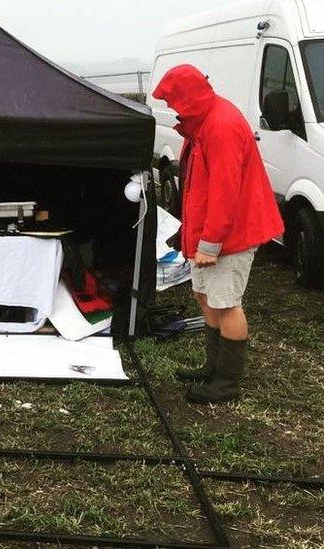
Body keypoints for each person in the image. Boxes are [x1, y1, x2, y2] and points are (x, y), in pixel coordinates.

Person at [152, 64, 284, 404]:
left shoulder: (220, 126)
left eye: (172, 100)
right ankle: (213, 367)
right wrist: (191, 236)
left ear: (186, 96)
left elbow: (226, 193)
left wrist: (210, 245)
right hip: (212, 233)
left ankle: (226, 382)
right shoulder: (204, 122)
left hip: (232, 234)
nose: (171, 108)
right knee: (205, 297)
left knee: (226, 304)